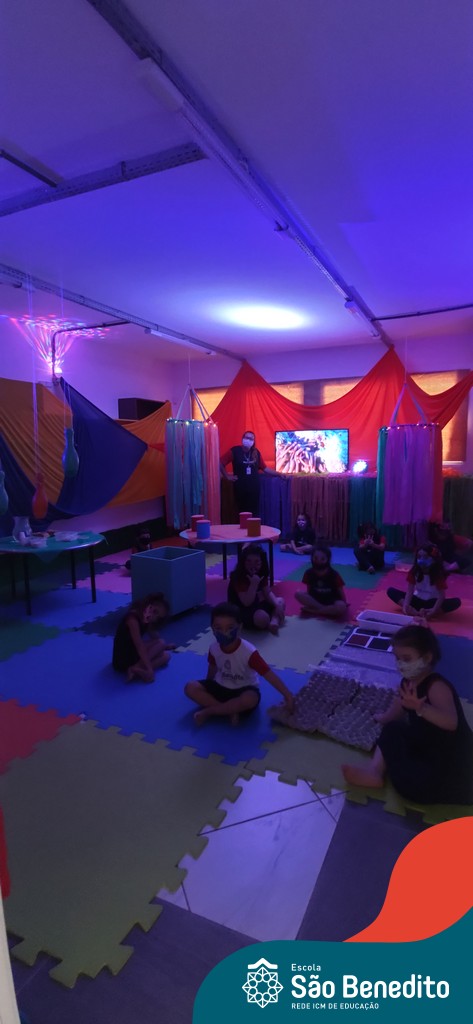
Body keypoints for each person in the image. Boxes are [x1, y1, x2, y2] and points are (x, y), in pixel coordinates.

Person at [342, 625, 473, 804]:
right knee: (392, 729)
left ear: (427, 658)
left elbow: (451, 723)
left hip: (450, 761)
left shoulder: (436, 686)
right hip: (425, 746)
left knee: (416, 786)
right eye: (397, 658)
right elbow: (399, 707)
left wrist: (422, 708)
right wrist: (383, 718)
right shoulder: (407, 683)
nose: (400, 664)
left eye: (407, 658)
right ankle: (374, 771)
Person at [184, 602, 294, 726]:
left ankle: (211, 711)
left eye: (230, 628)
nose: (224, 632)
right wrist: (207, 687)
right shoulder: (214, 648)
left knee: (250, 699)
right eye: (218, 628)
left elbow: (268, 674)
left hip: (243, 689)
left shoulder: (248, 652)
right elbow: (212, 668)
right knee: (190, 687)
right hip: (220, 687)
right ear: (212, 629)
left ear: (240, 628)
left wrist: (288, 695)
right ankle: (228, 710)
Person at [387, 543, 461, 619]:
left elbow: (441, 596)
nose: (421, 560)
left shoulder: (438, 574)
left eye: (425, 557)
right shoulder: (414, 571)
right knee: (391, 591)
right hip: (417, 600)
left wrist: (433, 610)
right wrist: (405, 606)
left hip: (432, 602)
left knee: (456, 602)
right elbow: (410, 591)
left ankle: (427, 612)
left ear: (433, 559)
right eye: (419, 557)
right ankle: (414, 610)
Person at [112, 592, 175, 682]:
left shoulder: (146, 617)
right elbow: (139, 645)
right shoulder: (132, 618)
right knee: (161, 643)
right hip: (122, 657)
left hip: (132, 651)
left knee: (166, 657)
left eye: (158, 617)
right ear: (149, 605)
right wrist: (149, 668)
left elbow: (154, 636)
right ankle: (138, 668)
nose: (155, 616)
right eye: (155, 612)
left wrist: (165, 646)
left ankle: (135, 670)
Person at [227, 544, 286, 634]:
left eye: (257, 562)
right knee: (261, 617)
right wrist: (253, 584)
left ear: (262, 562)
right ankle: (269, 620)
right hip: (241, 609)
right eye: (249, 561)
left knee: (280, 601)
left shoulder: (261, 572)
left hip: (256, 605)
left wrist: (276, 605)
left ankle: (274, 621)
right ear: (243, 562)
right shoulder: (238, 577)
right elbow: (246, 602)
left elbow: (267, 592)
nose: (252, 565)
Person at [220, 430, 280, 516]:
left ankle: (253, 525)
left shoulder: (256, 452)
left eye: (251, 439)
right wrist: (226, 476)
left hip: (254, 487)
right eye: (247, 437)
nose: (248, 440)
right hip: (240, 487)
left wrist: (279, 474)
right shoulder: (235, 451)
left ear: (253, 441)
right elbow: (220, 462)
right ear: (242, 438)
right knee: (242, 512)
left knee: (254, 512)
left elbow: (265, 468)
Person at [295, 544, 347, 619]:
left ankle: (316, 611)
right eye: (316, 558)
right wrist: (309, 601)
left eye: (322, 559)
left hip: (331, 601)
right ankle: (323, 610)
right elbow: (309, 590)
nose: (318, 561)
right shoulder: (308, 573)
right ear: (311, 558)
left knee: (341, 606)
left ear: (328, 560)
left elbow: (341, 591)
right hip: (315, 600)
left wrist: (344, 604)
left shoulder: (334, 574)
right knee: (298, 593)